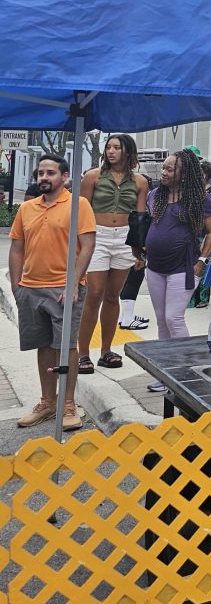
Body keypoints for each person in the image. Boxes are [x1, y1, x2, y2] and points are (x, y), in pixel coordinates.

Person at [9, 154, 97, 431]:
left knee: (67, 346)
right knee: (43, 345)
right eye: (40, 174)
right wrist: (16, 285)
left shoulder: (78, 204)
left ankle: (68, 404)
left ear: (65, 177)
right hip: (31, 288)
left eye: (50, 173)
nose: (44, 178)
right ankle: (48, 402)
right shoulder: (27, 208)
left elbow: (88, 245)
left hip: (64, 288)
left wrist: (73, 283)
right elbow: (16, 248)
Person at [144, 151, 211, 390]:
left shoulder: (198, 200)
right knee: (161, 322)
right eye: (163, 168)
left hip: (183, 266)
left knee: (173, 318)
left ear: (184, 174)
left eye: (169, 169)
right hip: (154, 266)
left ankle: (185, 373)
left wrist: (202, 262)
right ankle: (166, 373)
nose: (163, 173)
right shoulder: (155, 195)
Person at [76, 133, 149, 372]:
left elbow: (139, 218)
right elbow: (81, 211)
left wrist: (139, 251)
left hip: (125, 240)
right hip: (97, 236)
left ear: (128, 151)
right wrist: (80, 244)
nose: (111, 151)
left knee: (112, 295)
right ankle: (82, 352)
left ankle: (106, 350)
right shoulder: (93, 176)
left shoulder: (140, 181)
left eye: (117, 147)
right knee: (94, 293)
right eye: (109, 147)